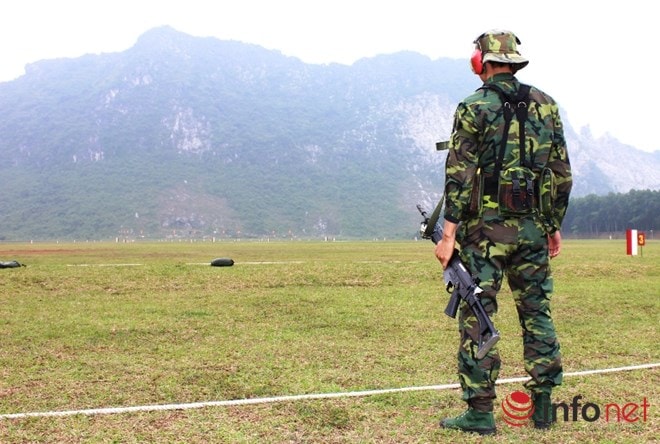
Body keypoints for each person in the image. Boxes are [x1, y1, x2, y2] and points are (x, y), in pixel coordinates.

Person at [434, 29, 572, 435]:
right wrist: (553, 225)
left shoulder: (474, 106)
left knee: (477, 313)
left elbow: (459, 174)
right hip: (532, 229)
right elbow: (562, 174)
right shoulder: (546, 106)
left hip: (484, 235)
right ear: (513, 60)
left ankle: (480, 412)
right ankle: (543, 405)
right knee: (537, 313)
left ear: (483, 61)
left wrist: (447, 235)